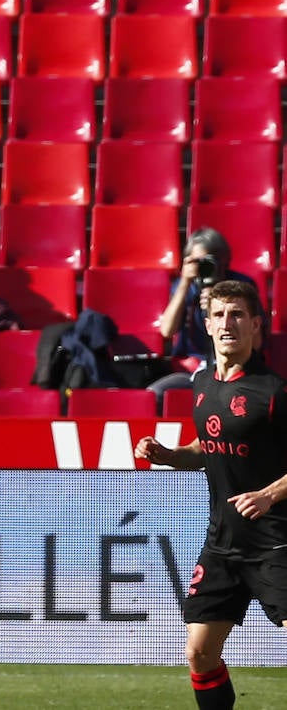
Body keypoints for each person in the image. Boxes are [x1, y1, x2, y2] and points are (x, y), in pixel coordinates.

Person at [135, 280, 287, 710]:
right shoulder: (201, 382)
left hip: (276, 540)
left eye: (237, 314)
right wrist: (168, 455)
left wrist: (269, 495)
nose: (228, 323)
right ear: (206, 324)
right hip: (223, 543)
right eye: (219, 315)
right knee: (199, 654)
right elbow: (207, 448)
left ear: (256, 324)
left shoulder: (273, 392)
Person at [149, 227, 258, 406]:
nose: (205, 268)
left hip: (234, 367)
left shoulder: (242, 287)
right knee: (153, 395)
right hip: (192, 370)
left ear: (224, 260)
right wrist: (185, 282)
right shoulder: (187, 287)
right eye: (198, 262)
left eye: (209, 261)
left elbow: (257, 342)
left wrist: (219, 307)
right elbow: (167, 330)